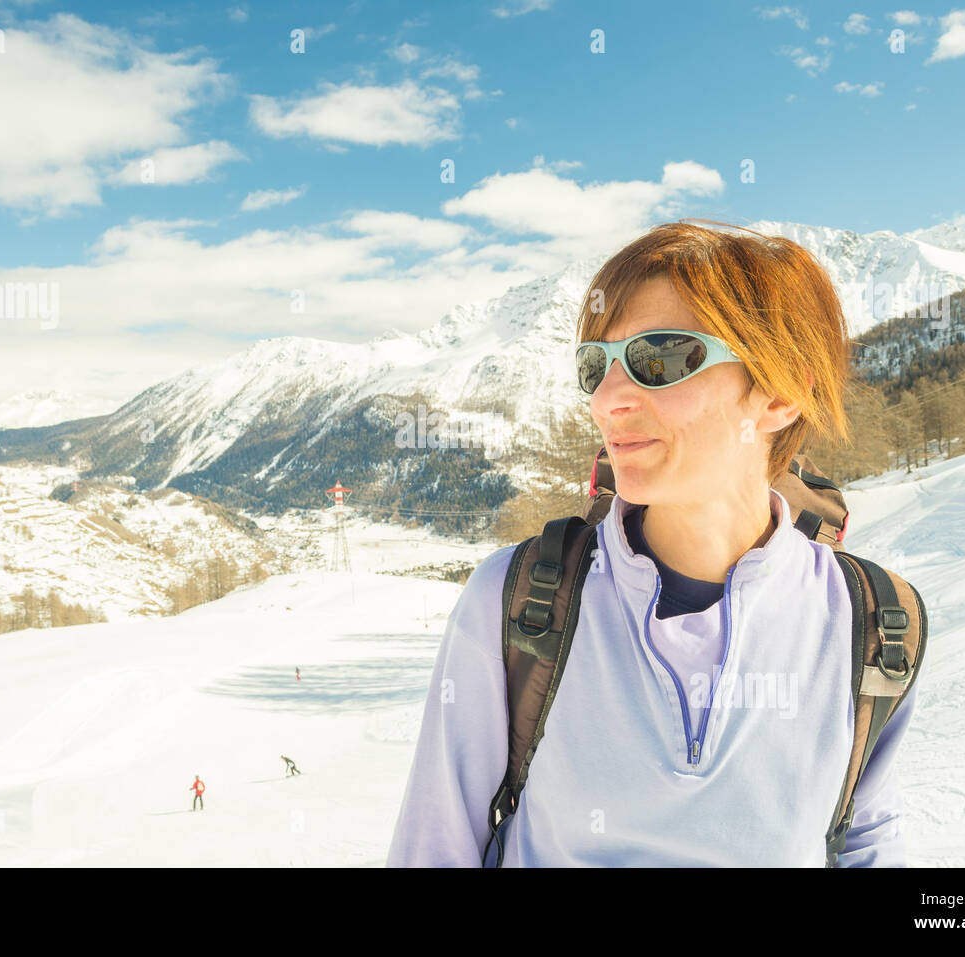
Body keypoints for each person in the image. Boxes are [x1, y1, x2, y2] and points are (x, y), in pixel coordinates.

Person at [386, 220, 921, 867]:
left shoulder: (874, 626)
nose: (608, 399)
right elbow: (433, 848)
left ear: (782, 392)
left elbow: (866, 839)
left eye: (659, 357)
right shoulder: (520, 602)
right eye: (595, 366)